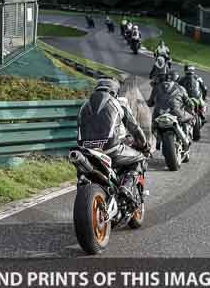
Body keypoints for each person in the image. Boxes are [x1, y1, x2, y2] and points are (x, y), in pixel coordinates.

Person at [77, 78, 150, 210]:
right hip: (111, 150)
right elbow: (134, 128)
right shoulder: (118, 103)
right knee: (139, 158)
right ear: (114, 92)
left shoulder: (84, 106)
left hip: (86, 151)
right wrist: (144, 145)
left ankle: (86, 193)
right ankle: (126, 188)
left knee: (82, 175)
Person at [147, 71, 195, 149]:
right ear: (177, 79)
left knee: (153, 126)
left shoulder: (157, 87)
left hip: (158, 115)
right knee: (191, 117)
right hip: (176, 113)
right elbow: (189, 103)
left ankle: (157, 140)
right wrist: (191, 110)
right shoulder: (180, 88)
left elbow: (150, 103)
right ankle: (187, 136)